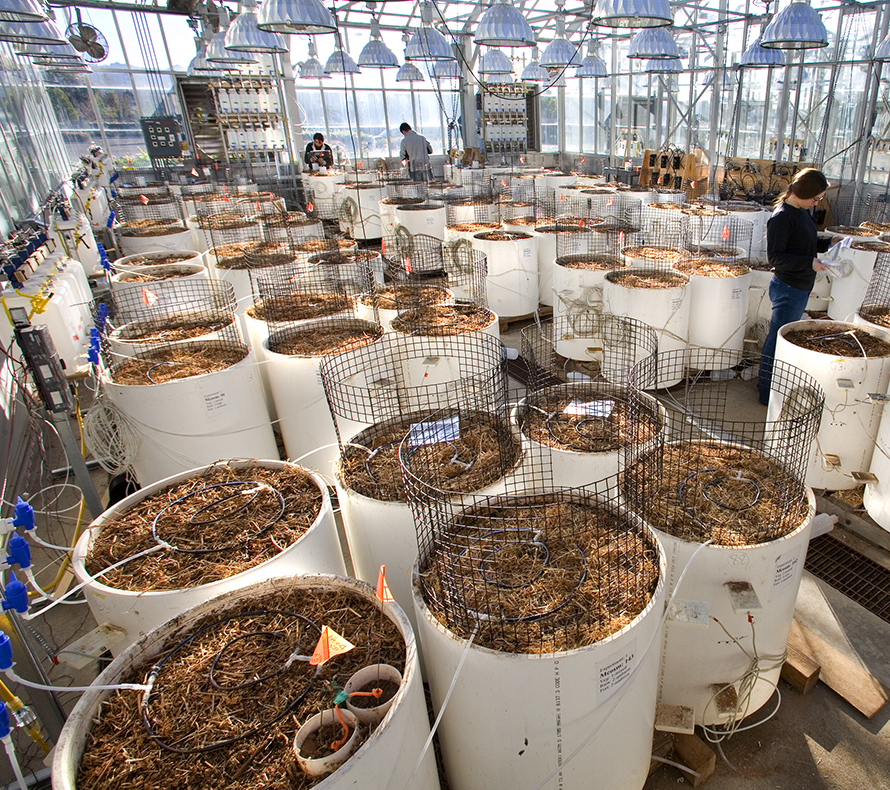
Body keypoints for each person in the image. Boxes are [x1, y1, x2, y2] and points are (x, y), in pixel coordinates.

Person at [758, 168, 837, 404]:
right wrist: (809, 263)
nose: (817, 202)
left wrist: (828, 241)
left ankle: (772, 387)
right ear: (803, 193)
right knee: (778, 340)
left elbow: (805, 242)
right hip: (788, 287)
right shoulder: (782, 217)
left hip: (799, 286)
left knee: (782, 337)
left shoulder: (802, 211)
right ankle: (766, 392)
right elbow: (776, 258)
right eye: (816, 198)